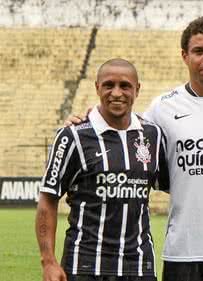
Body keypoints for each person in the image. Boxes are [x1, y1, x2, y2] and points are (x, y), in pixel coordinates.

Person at [67, 17, 203, 281]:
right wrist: (87, 120)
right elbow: (124, 128)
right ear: (185, 56)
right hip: (182, 251)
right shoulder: (163, 108)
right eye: (198, 51)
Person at [35, 58, 169, 281]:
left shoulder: (152, 136)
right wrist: (48, 261)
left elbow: (175, 185)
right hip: (85, 266)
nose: (116, 93)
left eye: (125, 86)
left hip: (139, 267)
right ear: (97, 87)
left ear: (137, 89)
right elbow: (48, 200)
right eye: (109, 85)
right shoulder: (73, 136)